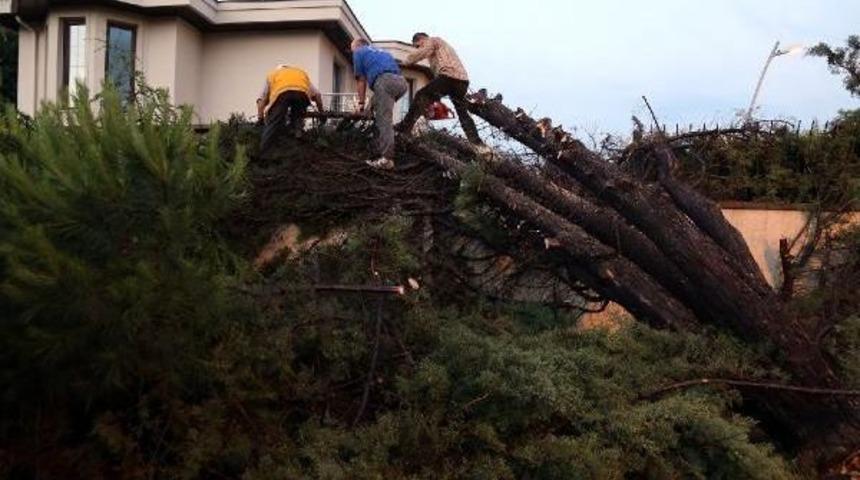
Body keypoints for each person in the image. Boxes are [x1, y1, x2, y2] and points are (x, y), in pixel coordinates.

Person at [397, 33, 491, 156]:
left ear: (422, 39)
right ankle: (478, 144)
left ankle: (404, 127)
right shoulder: (442, 49)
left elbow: (423, 52)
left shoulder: (432, 40)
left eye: (417, 46)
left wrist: (406, 61)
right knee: (462, 113)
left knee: (421, 95)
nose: (418, 49)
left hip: (448, 78)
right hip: (462, 82)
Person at [351, 38, 408, 170]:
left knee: (384, 120)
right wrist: (366, 108)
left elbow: (361, 81)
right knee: (374, 108)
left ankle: (387, 159)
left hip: (384, 82)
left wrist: (360, 103)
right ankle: (376, 145)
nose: (352, 52)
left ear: (357, 46)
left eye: (352, 48)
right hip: (401, 83)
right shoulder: (382, 52)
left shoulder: (358, 52)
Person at [257, 64, 324, 153]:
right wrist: (321, 113)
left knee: (274, 122)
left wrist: (260, 118)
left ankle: (263, 151)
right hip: (301, 94)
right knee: (298, 115)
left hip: (282, 94)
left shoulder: (273, 75)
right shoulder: (300, 74)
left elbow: (261, 101)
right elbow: (317, 95)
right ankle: (298, 134)